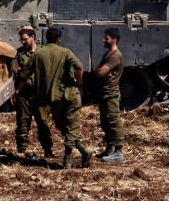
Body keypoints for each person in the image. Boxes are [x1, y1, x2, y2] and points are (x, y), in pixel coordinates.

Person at [32, 25, 91, 169]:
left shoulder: (38, 53)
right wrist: (78, 82)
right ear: (59, 39)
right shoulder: (65, 52)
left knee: (63, 125)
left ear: (47, 38)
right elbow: (79, 67)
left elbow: (25, 73)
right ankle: (83, 150)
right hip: (70, 95)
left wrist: (18, 90)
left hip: (55, 97)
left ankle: (68, 159)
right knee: (69, 126)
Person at [13, 25, 55, 159]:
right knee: (23, 122)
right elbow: (15, 72)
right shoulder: (18, 54)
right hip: (24, 93)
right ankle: (21, 150)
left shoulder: (43, 52)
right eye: (21, 40)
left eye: (25, 39)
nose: (23, 42)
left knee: (43, 123)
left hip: (40, 94)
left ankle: (48, 150)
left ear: (33, 38)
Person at [93, 28, 125, 162]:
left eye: (106, 38)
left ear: (114, 39)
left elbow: (100, 73)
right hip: (104, 92)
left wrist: (100, 71)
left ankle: (118, 151)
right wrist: (100, 71)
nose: (103, 40)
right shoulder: (108, 54)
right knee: (106, 122)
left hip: (111, 93)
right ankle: (110, 148)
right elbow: (98, 71)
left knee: (113, 120)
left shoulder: (115, 55)